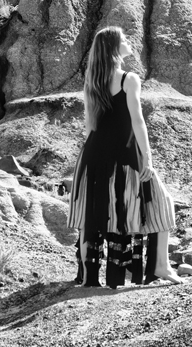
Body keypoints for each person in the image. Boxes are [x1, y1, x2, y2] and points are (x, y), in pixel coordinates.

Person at [67, 26, 181, 288]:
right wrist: (148, 159)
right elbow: (138, 122)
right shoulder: (129, 79)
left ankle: (88, 275)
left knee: (95, 215)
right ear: (114, 48)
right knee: (162, 201)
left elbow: (90, 125)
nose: (128, 42)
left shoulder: (92, 81)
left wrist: (89, 161)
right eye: (124, 39)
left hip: (92, 157)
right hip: (124, 157)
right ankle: (161, 267)